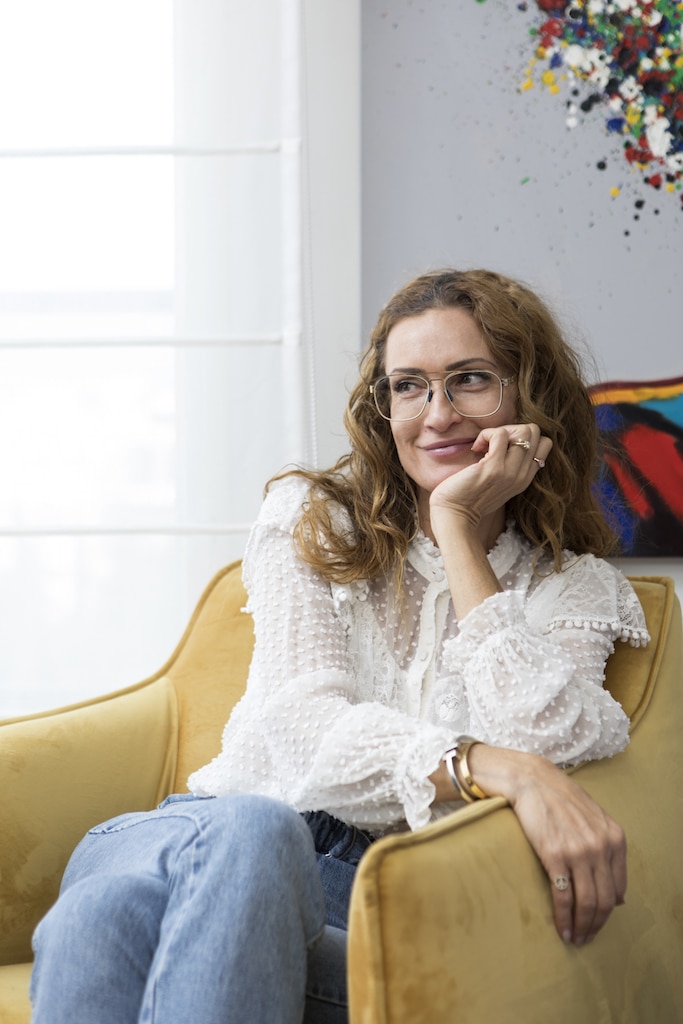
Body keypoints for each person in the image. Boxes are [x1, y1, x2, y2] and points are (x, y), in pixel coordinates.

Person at [30, 268, 649, 1024]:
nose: (438, 414)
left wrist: (457, 531)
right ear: (382, 405)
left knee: (106, 919)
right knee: (253, 833)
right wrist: (486, 766)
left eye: (470, 379)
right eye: (409, 386)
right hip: (198, 832)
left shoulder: (576, 588)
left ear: (531, 396)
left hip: (367, 896)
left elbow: (548, 742)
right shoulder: (315, 520)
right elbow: (302, 728)